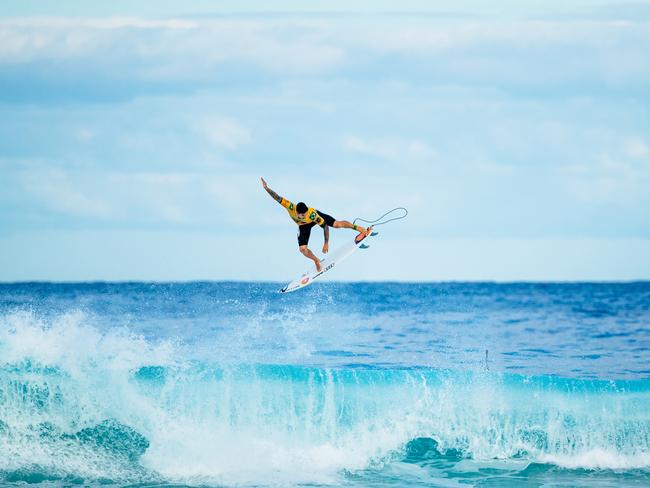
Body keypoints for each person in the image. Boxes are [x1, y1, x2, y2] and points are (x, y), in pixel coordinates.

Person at [261, 177, 371, 272]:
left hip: (314, 219)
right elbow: (277, 197)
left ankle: (358, 228)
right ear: (297, 212)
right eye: (302, 215)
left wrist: (326, 243)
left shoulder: (312, 215)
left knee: (336, 224)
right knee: (303, 249)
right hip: (303, 226)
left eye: (305, 214)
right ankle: (316, 260)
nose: (304, 216)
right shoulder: (290, 207)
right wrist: (266, 188)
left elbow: (325, 227)